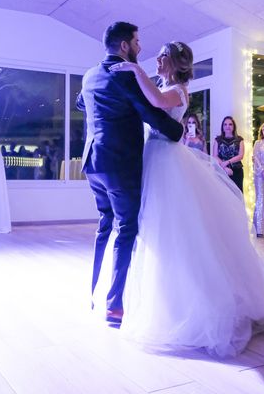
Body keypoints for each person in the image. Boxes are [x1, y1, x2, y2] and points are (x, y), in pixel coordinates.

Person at [109, 41, 264, 357]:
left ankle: (195, 302)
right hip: (154, 157)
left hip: (168, 160)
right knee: (156, 230)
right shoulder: (164, 82)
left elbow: (154, 99)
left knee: (177, 231)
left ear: (176, 63)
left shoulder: (177, 90)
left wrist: (135, 68)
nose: (158, 58)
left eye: (163, 54)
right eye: (159, 53)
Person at [76, 22, 184, 323]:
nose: (140, 47)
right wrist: (177, 130)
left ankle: (95, 294)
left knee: (105, 225)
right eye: (137, 42)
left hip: (93, 163)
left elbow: (80, 103)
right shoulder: (124, 75)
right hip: (120, 164)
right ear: (124, 46)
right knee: (127, 229)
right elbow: (150, 113)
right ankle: (114, 305)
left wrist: (104, 113)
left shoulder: (89, 75)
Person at [212, 116, 245, 192]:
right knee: (223, 194)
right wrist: (224, 168)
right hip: (221, 170)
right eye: (225, 124)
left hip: (237, 170)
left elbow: (241, 156)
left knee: (237, 194)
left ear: (234, 127)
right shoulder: (218, 140)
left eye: (230, 124)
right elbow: (215, 155)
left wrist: (228, 162)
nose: (228, 126)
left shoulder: (240, 140)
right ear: (222, 127)